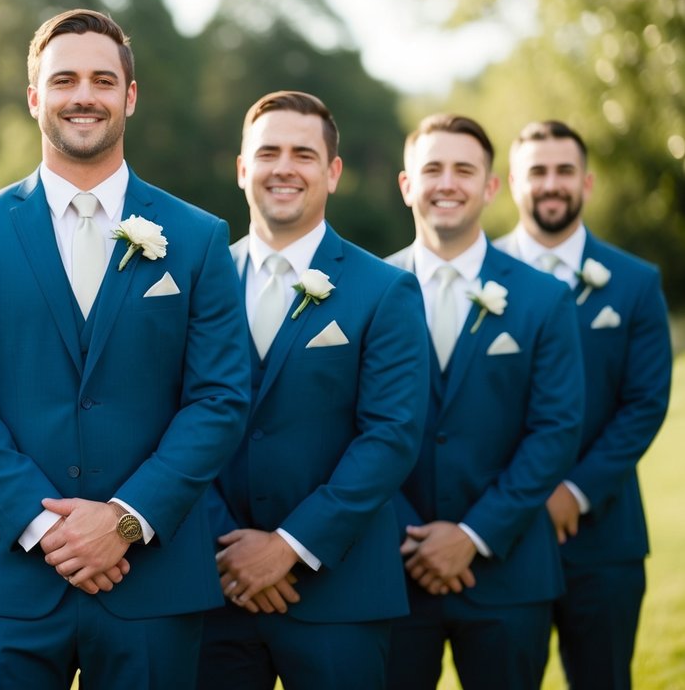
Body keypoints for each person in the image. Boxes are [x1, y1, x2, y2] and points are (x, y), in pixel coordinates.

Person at [0, 9, 252, 690]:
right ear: (34, 97)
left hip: (151, 584)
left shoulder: (196, 237)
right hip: (3, 583)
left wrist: (126, 521)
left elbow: (218, 400)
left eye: (103, 80)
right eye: (63, 79)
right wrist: (43, 527)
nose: (83, 95)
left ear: (129, 97)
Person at [198, 90, 429, 690]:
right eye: (268, 152)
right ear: (242, 167)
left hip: (340, 592)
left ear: (332, 173)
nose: (284, 167)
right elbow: (171, 420)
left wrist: (289, 546)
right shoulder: (195, 282)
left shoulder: (385, 290)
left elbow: (391, 437)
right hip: (209, 588)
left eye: (303, 154)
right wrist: (229, 549)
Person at [384, 113, 583, 690]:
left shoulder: (545, 299)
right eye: (432, 169)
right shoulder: (366, 292)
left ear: (491, 187)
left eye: (464, 170)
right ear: (406, 185)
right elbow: (348, 427)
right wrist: (414, 537)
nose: (447, 183)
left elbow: (556, 432)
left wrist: (471, 536)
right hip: (392, 569)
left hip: (509, 571)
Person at [495, 120, 672, 690]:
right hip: (503, 535)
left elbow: (645, 403)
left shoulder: (636, 282)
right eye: (537, 172)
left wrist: (575, 491)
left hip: (604, 539)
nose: (552, 184)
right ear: (512, 184)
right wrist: (519, 497)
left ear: (587, 183)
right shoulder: (476, 277)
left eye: (564, 171)